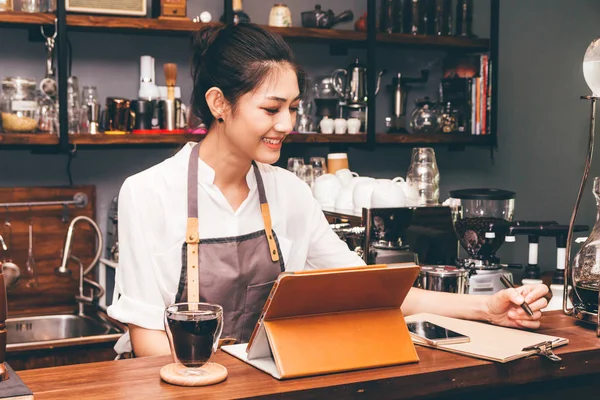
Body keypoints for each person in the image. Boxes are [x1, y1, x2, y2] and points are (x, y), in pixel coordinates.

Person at [107, 23, 549, 358]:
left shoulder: (289, 194)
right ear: (219, 103)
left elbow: (370, 290)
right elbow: (147, 342)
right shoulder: (148, 193)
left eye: (294, 108)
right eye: (271, 109)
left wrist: (486, 307)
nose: (287, 125)